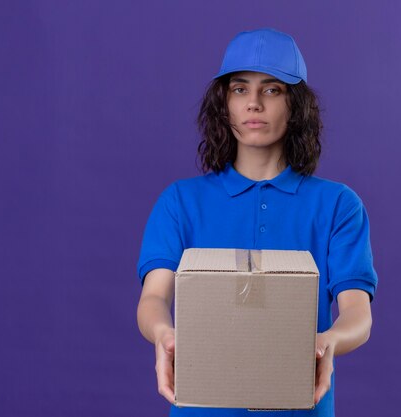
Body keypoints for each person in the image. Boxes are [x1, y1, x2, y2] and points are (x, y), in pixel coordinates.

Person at [136, 28, 378, 417]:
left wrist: (328, 342)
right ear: (224, 103)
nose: (253, 104)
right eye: (239, 89)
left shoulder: (338, 205)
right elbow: (153, 297)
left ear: (295, 105)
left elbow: (357, 314)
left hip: (301, 407)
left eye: (272, 90)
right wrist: (164, 335)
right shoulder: (181, 202)